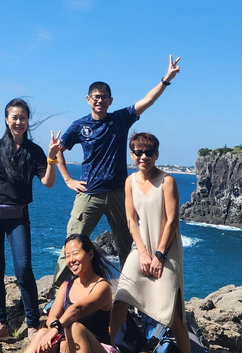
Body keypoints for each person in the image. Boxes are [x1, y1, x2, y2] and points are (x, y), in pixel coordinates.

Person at [51, 55, 182, 287]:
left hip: (120, 194)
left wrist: (166, 79)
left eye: (104, 97)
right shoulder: (80, 126)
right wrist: (68, 179)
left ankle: (130, 292)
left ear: (111, 101)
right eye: (96, 97)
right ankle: (57, 293)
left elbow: (148, 100)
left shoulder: (120, 119)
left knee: (128, 245)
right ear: (88, 99)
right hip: (89, 193)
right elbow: (57, 151)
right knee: (72, 244)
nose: (100, 101)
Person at [109, 132, 199, 353]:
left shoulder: (167, 181)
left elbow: (172, 221)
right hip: (142, 248)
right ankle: (106, 348)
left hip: (166, 251)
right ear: (132, 154)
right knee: (121, 298)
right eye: (138, 152)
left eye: (148, 152)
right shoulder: (130, 181)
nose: (143, 157)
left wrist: (159, 255)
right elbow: (130, 220)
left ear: (157, 154)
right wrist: (143, 253)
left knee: (174, 312)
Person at [0, 99, 61, 343]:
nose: (19, 122)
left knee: (23, 268)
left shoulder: (34, 151)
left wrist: (51, 158)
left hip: (18, 217)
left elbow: (48, 182)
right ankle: (1, 324)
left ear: (28, 120)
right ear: (6, 119)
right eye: (14, 117)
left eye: (23, 117)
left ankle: (32, 325)